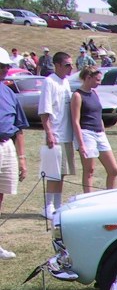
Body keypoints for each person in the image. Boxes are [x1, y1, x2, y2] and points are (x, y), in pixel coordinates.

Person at [38, 51, 75, 220]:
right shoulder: (49, 82)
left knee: (63, 172)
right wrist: (49, 132)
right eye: (67, 64)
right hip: (55, 133)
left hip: (66, 134)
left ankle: (58, 205)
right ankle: (47, 206)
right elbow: (45, 110)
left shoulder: (66, 82)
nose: (70, 67)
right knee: (53, 172)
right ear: (58, 65)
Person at [71, 67, 117, 193]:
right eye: (97, 80)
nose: (99, 82)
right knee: (89, 170)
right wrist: (81, 144)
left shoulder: (94, 93)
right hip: (86, 133)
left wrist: (102, 130)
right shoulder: (77, 95)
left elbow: (98, 114)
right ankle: (88, 199)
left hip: (99, 133)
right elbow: (75, 121)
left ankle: (111, 197)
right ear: (88, 78)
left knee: (113, 170)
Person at [0, 48, 28, 259]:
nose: (5, 70)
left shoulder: (9, 92)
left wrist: (22, 158)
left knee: (1, 195)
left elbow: (18, 128)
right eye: (1, 67)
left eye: (6, 67)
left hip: (6, 145)